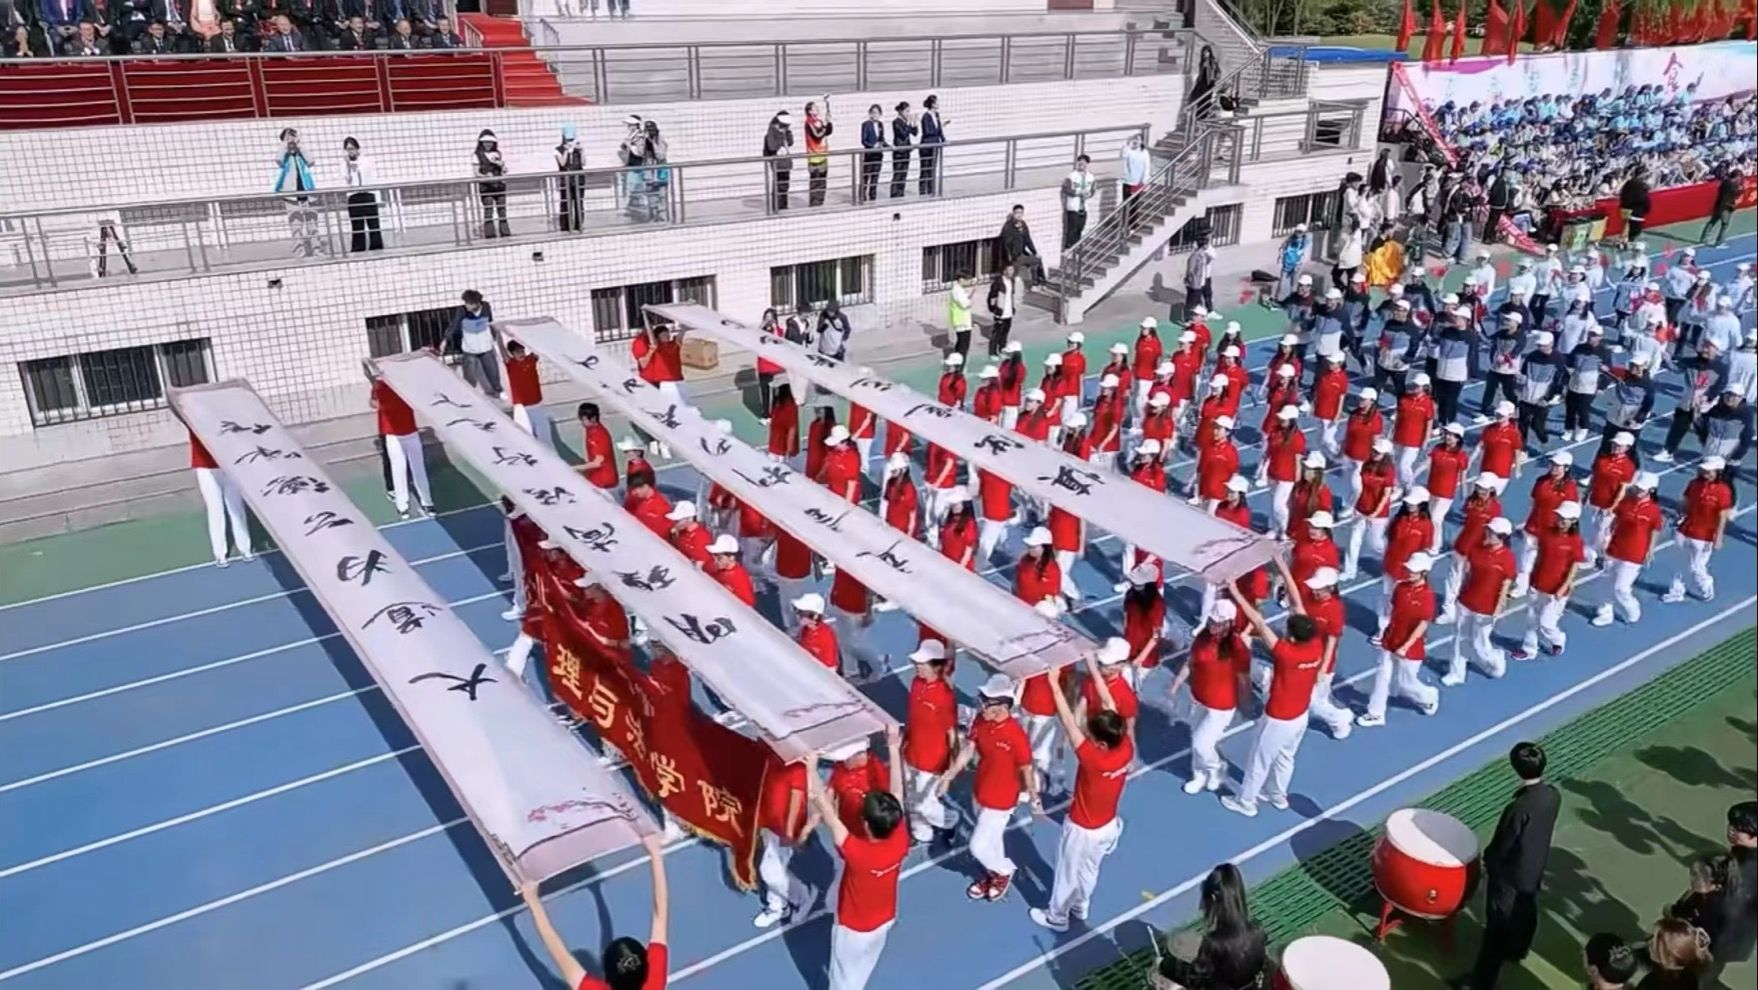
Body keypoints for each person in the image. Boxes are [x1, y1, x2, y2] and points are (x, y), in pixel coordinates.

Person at [1029, 646, 1132, 932]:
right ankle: (1081, 905)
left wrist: (1053, 684)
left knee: (1067, 870)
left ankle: (1057, 916)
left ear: (1101, 743)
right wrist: (1091, 665)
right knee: (1089, 869)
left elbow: (1068, 722)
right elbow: (1108, 702)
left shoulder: (1094, 759)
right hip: (1106, 825)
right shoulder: (1125, 747)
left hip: (1082, 826)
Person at [1220, 558, 1322, 818]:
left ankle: (1246, 801)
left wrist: (1234, 590)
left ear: (1292, 637)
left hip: (1279, 715)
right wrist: (1283, 566)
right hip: (1300, 715)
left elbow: (1258, 621)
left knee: (1259, 759)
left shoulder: (1287, 654)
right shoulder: (1315, 645)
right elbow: (1297, 603)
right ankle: (1277, 795)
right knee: (1286, 757)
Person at [808, 727, 908, 990]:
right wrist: (894, 746)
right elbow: (897, 793)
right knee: (864, 966)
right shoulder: (900, 837)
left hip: (854, 925)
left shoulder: (858, 854)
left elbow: (826, 809)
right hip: (885, 917)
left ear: (865, 824)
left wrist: (810, 767)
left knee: (841, 977)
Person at [1461, 741, 1559, 990]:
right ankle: (1518, 949)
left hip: (1509, 877)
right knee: (1526, 910)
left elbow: (1504, 843)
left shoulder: (1518, 808)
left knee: (1497, 929)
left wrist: (1489, 861)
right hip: (1533, 870)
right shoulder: (1552, 795)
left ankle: (1481, 982)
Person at [520, 832, 669, 990]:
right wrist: (533, 901)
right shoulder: (653, 982)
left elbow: (559, 953)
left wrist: (655, 853)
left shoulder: (654, 982)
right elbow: (660, 915)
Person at [939, 673, 1040, 902]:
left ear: (1001, 707)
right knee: (991, 839)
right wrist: (950, 775)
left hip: (1002, 799)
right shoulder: (980, 721)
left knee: (977, 846)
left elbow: (1026, 768)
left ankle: (1003, 871)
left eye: (985, 701)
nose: (981, 703)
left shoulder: (1016, 736)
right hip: (981, 789)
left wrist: (1033, 797)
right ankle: (993, 874)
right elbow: (969, 748)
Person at [1155, 864, 1268, 989]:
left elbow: (1197, 978)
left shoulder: (1215, 943)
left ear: (1213, 898)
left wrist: (1166, 968)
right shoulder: (1257, 931)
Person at [1359, 550, 1439, 726]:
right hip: (1391, 639)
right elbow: (1393, 612)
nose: (1409, 572)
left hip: (1409, 646)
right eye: (1409, 569)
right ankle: (1376, 713)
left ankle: (1429, 697)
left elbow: (1422, 624)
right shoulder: (1401, 587)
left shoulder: (1427, 596)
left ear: (1423, 573)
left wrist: (1405, 646)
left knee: (1405, 684)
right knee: (1382, 676)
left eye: (1413, 571)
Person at [901, 640, 960, 844]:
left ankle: (950, 820)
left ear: (935, 666)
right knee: (911, 794)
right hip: (911, 750)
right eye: (917, 663)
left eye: (922, 663)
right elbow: (913, 717)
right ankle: (921, 830)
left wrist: (950, 768)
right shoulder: (916, 683)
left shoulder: (944, 696)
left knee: (924, 802)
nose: (917, 667)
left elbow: (951, 733)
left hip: (933, 758)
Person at [1445, 517, 1516, 686]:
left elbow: (1505, 585)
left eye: (1491, 532)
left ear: (1501, 537)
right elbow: (1467, 574)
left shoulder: (1507, 559)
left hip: (1486, 607)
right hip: (1466, 601)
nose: (1487, 534)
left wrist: (1498, 609)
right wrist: (1458, 595)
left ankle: (1496, 658)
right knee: (1460, 637)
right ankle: (1456, 673)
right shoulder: (1477, 549)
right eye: (1488, 530)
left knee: (1480, 643)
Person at [1514, 501, 1585, 660]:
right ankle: (1529, 649)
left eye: (1564, 519)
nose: (1560, 521)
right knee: (1531, 619)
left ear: (1573, 521)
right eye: (1559, 517)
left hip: (1556, 589)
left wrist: (1564, 586)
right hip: (1537, 583)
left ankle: (1558, 639)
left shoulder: (1575, 542)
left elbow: (1574, 566)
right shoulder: (1546, 533)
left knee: (1546, 623)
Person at [1591, 471, 1663, 627]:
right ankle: (1605, 613)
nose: (1638, 491)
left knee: (1621, 588)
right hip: (1616, 547)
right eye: (1637, 488)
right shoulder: (1626, 502)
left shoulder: (1653, 510)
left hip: (1635, 552)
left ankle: (1632, 609)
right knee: (1606, 581)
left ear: (1651, 490)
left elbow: (1655, 530)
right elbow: (1615, 520)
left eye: (1642, 489)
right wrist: (1607, 538)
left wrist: (1650, 549)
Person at [1664, 456, 1734, 604]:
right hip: (1685, 529)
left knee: (1696, 566)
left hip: (1704, 534)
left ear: (1718, 472)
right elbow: (1686, 502)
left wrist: (1718, 537)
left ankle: (1706, 585)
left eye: (1709, 471)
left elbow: (1722, 516)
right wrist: (1678, 514)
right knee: (1678, 563)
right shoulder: (1694, 484)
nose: (1705, 474)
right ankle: (1676, 591)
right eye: (1704, 470)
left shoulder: (1723, 491)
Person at [368, 369, 433, 518]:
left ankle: (428, 502)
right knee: (398, 470)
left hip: (411, 432)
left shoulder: (406, 385)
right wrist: (376, 393)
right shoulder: (380, 385)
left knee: (419, 469)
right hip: (392, 436)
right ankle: (402, 506)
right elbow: (373, 403)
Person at [754, 756, 809, 929]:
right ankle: (777, 905)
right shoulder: (771, 757)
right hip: (771, 823)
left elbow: (796, 797)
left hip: (784, 828)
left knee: (769, 870)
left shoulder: (797, 766)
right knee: (775, 868)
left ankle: (801, 897)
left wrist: (789, 831)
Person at [1706, 800, 1758, 983]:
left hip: (1734, 927)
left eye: (1740, 829)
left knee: (1713, 960)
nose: (1732, 830)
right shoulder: (1742, 851)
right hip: (1724, 920)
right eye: (1732, 824)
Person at [187, 430, 254, 568]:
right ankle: (220, 553)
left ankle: (245, 548)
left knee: (236, 508)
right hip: (205, 467)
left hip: (228, 464)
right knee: (215, 510)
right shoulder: (194, 419)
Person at [497, 335, 550, 448]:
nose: (521, 354)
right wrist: (497, 334)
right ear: (512, 354)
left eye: (522, 351)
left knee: (544, 438)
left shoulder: (531, 360)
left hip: (537, 405)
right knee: (526, 439)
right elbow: (501, 349)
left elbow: (536, 346)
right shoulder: (511, 364)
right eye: (517, 352)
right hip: (521, 408)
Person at [444, 289, 500, 395]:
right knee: (470, 373)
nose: (467, 306)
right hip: (470, 348)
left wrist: (494, 337)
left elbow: (490, 322)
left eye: (469, 304)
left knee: (491, 370)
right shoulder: (462, 311)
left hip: (485, 346)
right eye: (466, 303)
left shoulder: (486, 307)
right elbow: (455, 325)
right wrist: (446, 340)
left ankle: (495, 391)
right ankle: (469, 393)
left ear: (476, 304)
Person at [1640, 918, 1712, 989]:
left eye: (1655, 942)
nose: (1650, 941)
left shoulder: (1651, 983)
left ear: (1669, 957)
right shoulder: (1690, 979)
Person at [472, 128, 510, 239]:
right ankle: (490, 234)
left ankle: (505, 232)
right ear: (481, 143)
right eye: (486, 142)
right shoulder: (477, 155)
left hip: (499, 185)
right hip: (486, 186)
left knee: (502, 210)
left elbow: (503, 170)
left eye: (490, 142)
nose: (488, 144)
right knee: (488, 210)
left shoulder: (497, 153)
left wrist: (502, 166)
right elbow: (476, 173)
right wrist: (485, 176)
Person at [996, 204, 1043, 288]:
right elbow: (1006, 246)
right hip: (1013, 258)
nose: (1019, 215)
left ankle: (1037, 282)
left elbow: (1028, 240)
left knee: (1037, 260)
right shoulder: (1008, 227)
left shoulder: (1023, 225)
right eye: (1017, 213)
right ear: (1014, 214)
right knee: (1015, 272)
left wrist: (1035, 252)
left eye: (1021, 213)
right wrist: (1009, 261)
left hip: (1021, 254)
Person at [555, 123, 586, 232]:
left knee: (579, 202)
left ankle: (579, 224)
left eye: (571, 139)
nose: (570, 142)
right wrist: (567, 151)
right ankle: (565, 226)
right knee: (566, 202)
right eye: (568, 139)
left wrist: (582, 151)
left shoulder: (578, 148)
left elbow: (583, 163)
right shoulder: (558, 149)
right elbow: (562, 163)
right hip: (566, 179)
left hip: (579, 178)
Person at [804, 98, 833, 208]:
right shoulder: (808, 123)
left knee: (822, 180)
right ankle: (814, 203)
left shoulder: (819, 121)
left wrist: (829, 123)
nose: (817, 109)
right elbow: (817, 135)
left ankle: (820, 201)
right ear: (810, 111)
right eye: (815, 108)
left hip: (823, 155)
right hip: (814, 156)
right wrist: (824, 129)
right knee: (815, 181)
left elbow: (828, 132)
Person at [762, 110, 794, 212]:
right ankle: (777, 207)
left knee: (785, 185)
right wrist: (780, 136)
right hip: (777, 162)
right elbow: (772, 146)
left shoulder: (785, 130)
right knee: (778, 185)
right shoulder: (772, 131)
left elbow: (790, 142)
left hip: (785, 161)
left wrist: (787, 132)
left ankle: (784, 206)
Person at [1061, 154, 1095, 249]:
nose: (1081, 165)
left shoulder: (1090, 177)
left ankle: (1076, 247)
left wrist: (1088, 194)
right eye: (1080, 163)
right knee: (1072, 229)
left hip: (1084, 207)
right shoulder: (1072, 176)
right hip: (1073, 207)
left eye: (1084, 163)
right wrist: (1078, 192)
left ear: (1087, 164)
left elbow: (1093, 190)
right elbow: (1066, 189)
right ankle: (1069, 248)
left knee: (1080, 228)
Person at [858, 103, 886, 203]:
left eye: (877, 113)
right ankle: (862, 196)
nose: (875, 115)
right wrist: (872, 146)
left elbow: (882, 139)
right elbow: (864, 140)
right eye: (873, 113)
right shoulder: (866, 124)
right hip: (869, 154)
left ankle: (873, 196)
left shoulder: (880, 124)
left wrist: (887, 145)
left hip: (878, 155)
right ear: (870, 113)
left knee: (875, 176)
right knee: (866, 176)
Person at [986, 264, 1016, 356]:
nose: (1011, 272)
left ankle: (1002, 348)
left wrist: (1012, 308)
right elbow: (992, 297)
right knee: (997, 333)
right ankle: (993, 352)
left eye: (1012, 270)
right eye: (1009, 270)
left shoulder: (1012, 281)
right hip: (1000, 312)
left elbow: (1011, 296)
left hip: (1008, 311)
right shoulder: (998, 282)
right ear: (1004, 271)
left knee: (1005, 332)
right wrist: (994, 309)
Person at [917, 93, 944, 196]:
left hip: (935, 145)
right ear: (932, 104)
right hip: (927, 145)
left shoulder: (936, 115)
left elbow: (939, 129)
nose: (938, 104)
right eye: (937, 102)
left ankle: (931, 190)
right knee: (925, 168)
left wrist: (943, 139)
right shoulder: (926, 116)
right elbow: (927, 131)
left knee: (932, 168)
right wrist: (937, 132)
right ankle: (922, 191)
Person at [889, 101, 915, 199]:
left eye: (909, 111)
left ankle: (901, 193)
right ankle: (894, 194)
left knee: (904, 174)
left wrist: (914, 123)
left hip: (907, 151)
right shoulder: (896, 122)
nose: (908, 114)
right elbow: (903, 134)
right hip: (899, 152)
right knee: (897, 174)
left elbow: (915, 133)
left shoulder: (905, 122)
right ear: (900, 111)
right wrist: (908, 124)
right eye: (906, 111)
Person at [947, 272, 974, 360]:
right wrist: (969, 302)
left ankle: (957, 362)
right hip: (961, 321)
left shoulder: (959, 289)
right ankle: (960, 364)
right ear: (961, 279)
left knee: (961, 343)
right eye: (968, 280)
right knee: (963, 345)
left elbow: (966, 301)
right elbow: (965, 304)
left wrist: (971, 294)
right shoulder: (957, 291)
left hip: (963, 321)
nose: (969, 282)